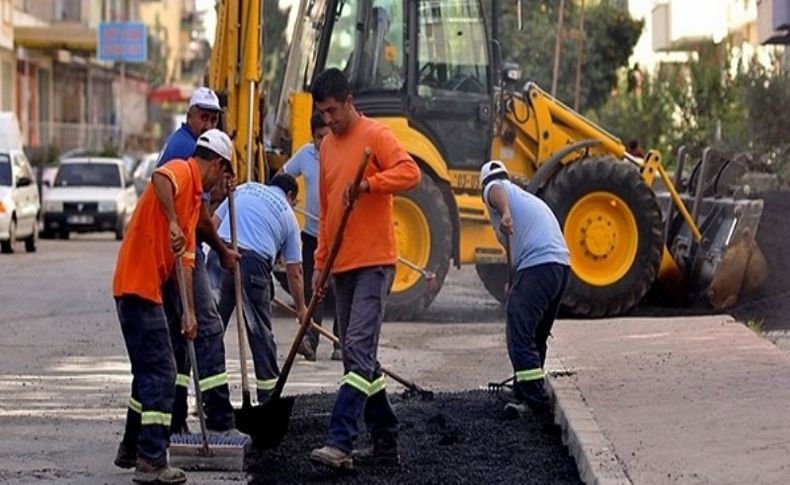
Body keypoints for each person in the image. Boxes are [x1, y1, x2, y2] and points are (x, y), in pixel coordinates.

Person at [307, 68, 420, 470]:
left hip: (374, 262)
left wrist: (370, 185)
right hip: (342, 266)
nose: (328, 120)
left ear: (349, 101)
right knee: (359, 357)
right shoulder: (326, 149)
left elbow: (411, 172)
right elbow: (324, 214)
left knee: (355, 346)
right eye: (322, 113)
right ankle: (386, 440)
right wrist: (320, 266)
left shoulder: (376, 135)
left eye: (333, 111)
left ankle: (341, 441)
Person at [112, 129, 234, 484]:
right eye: (224, 176)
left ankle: (131, 447)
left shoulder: (195, 199)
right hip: (138, 286)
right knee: (163, 373)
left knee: (148, 373)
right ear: (217, 164)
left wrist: (189, 312)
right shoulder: (183, 171)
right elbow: (160, 177)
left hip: (143, 288)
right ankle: (151, 460)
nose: (222, 186)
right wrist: (172, 221)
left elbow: (186, 261)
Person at [155, 87, 240, 437]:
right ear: (189, 115)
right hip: (179, 254)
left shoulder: (194, 148)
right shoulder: (185, 150)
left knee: (181, 338)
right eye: (202, 116)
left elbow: (200, 210)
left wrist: (219, 188)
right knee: (206, 325)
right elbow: (200, 220)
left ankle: (174, 419)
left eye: (213, 117)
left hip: (178, 252)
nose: (207, 122)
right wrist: (222, 250)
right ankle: (218, 418)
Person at [479, 160, 570, 417]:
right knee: (536, 334)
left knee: (519, 330)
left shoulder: (495, 189)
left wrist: (505, 212)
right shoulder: (528, 199)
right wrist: (512, 281)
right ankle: (526, 388)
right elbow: (514, 248)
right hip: (559, 267)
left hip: (539, 264)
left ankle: (534, 402)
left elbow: (496, 190)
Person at [207, 173, 308, 402]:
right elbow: (295, 271)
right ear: (290, 195)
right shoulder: (288, 215)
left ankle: (210, 398)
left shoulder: (244, 189)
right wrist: (301, 308)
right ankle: (268, 397)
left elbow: (211, 225)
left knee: (211, 328)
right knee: (259, 333)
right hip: (254, 264)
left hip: (220, 253)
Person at [281, 112, 341, 362]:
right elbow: (283, 176)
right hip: (312, 236)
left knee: (340, 288)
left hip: (338, 235)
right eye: (317, 137)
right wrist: (285, 198)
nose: (321, 142)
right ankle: (311, 341)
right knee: (313, 289)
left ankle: (340, 343)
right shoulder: (305, 155)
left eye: (325, 136)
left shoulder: (341, 152)